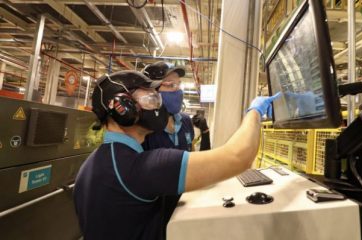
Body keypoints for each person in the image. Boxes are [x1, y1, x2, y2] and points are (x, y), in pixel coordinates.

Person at [73, 69, 280, 240]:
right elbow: (238, 157)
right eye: (149, 98)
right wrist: (255, 111)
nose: (157, 105)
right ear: (122, 108)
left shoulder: (92, 165)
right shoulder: (140, 167)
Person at [141, 61, 204, 152]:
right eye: (171, 85)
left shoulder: (186, 121)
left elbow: (191, 152)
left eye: (179, 84)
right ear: (151, 91)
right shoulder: (143, 129)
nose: (178, 90)